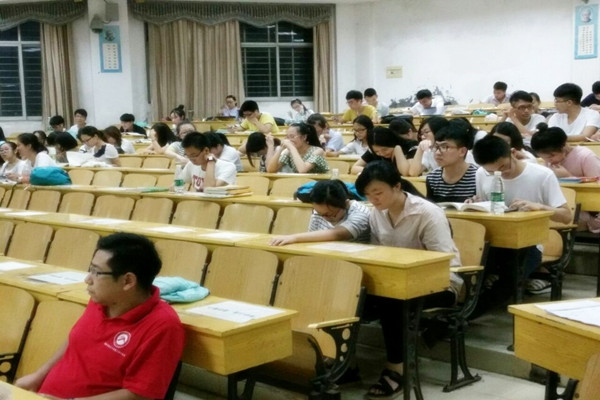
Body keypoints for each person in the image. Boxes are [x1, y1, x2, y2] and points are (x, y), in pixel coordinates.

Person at [15, 233, 185, 400]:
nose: (87, 279)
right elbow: (75, 342)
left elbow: (139, 395)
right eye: (90, 269)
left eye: (96, 272)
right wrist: (38, 376)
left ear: (128, 281)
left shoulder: (163, 326)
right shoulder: (101, 299)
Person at [354, 160, 462, 399]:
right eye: (368, 195)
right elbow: (379, 252)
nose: (373, 199)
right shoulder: (377, 213)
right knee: (353, 295)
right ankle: (345, 364)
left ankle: (397, 369)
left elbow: (442, 260)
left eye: (378, 193)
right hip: (397, 280)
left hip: (441, 282)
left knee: (392, 300)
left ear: (397, 186)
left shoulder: (427, 213)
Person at [472, 135, 570, 295]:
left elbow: (566, 216)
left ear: (513, 153)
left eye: (503, 167)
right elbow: (486, 209)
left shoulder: (542, 175)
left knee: (504, 284)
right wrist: (475, 204)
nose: (500, 174)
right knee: (475, 276)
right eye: (492, 172)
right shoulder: (482, 174)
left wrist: (540, 207)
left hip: (529, 244)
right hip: (494, 241)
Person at [269, 179, 370, 245]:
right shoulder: (319, 211)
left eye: (330, 215)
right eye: (321, 214)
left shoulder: (360, 212)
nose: (324, 218)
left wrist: (294, 238)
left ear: (346, 203)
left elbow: (338, 234)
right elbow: (312, 238)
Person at [425, 124, 477, 203]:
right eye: (436, 147)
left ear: (462, 151)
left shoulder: (477, 177)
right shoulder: (433, 178)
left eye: (444, 147)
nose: (438, 153)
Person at [531, 123, 600, 178]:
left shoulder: (586, 157)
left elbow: (597, 185)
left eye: (551, 156)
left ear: (563, 146)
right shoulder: (548, 161)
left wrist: (568, 176)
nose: (548, 161)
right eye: (544, 158)